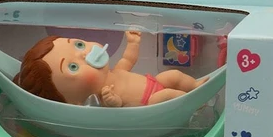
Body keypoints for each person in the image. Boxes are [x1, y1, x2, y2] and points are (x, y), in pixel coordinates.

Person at [14, 31, 207, 107]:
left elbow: (128, 59)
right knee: (167, 95)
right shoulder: (103, 98)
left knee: (172, 75)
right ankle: (194, 102)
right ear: (75, 103)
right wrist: (113, 101)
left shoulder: (115, 72)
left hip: (155, 82)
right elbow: (117, 109)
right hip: (151, 102)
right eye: (73, 67)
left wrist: (133, 43)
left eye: (79, 45)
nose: (84, 54)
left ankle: (195, 86)